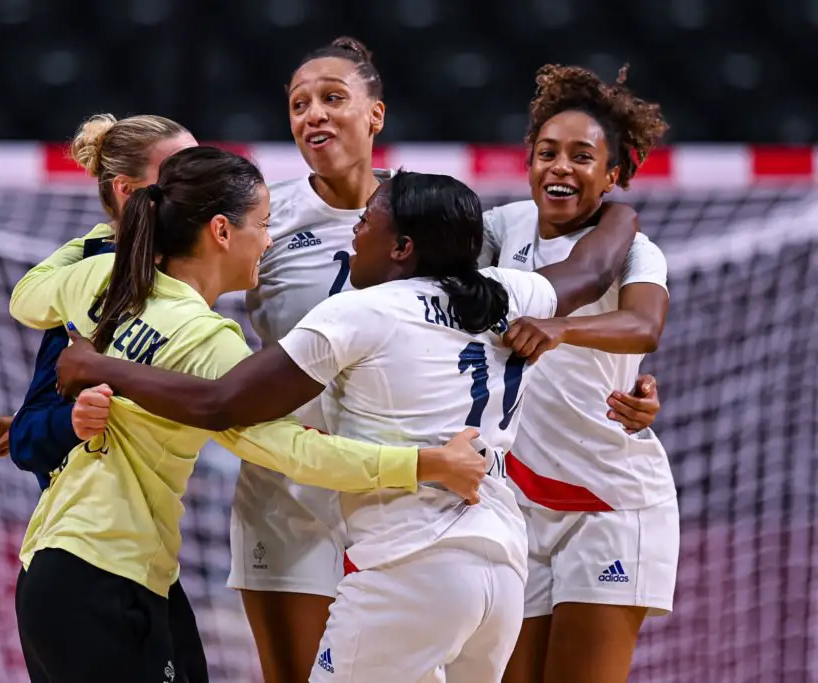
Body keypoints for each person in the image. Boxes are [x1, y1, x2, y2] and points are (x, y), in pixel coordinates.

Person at [52, 170, 647, 682]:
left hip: (410, 567)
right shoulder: (509, 293)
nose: (353, 234)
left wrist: (100, 366)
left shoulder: (360, 312)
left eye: (366, 222)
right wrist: (623, 209)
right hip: (502, 572)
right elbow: (594, 268)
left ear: (403, 247)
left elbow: (222, 403)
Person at [227, 36, 663, 683]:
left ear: (376, 115)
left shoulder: (435, 219)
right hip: (314, 486)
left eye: (333, 98)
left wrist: (613, 235)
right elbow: (193, 286)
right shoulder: (268, 216)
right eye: (299, 103)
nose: (314, 113)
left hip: (455, 496)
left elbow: (617, 301)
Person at [8, 147, 488, 683]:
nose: (268, 240)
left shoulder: (101, 275)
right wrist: (426, 463)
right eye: (261, 225)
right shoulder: (206, 341)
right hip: (109, 577)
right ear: (221, 231)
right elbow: (294, 452)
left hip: (51, 569)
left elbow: (25, 298)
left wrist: (104, 239)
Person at [0, 113, 207, 683]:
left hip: (146, 567)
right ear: (127, 190)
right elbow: (32, 438)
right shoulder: (93, 281)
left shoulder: (178, 270)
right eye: (178, 171)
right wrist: (67, 422)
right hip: (87, 570)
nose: (196, 181)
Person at [481, 65, 674, 683]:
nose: (560, 167)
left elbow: (643, 325)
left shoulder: (636, 250)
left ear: (612, 175)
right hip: (521, 502)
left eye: (582, 157)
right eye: (547, 153)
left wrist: (561, 328)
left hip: (609, 501)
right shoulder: (502, 227)